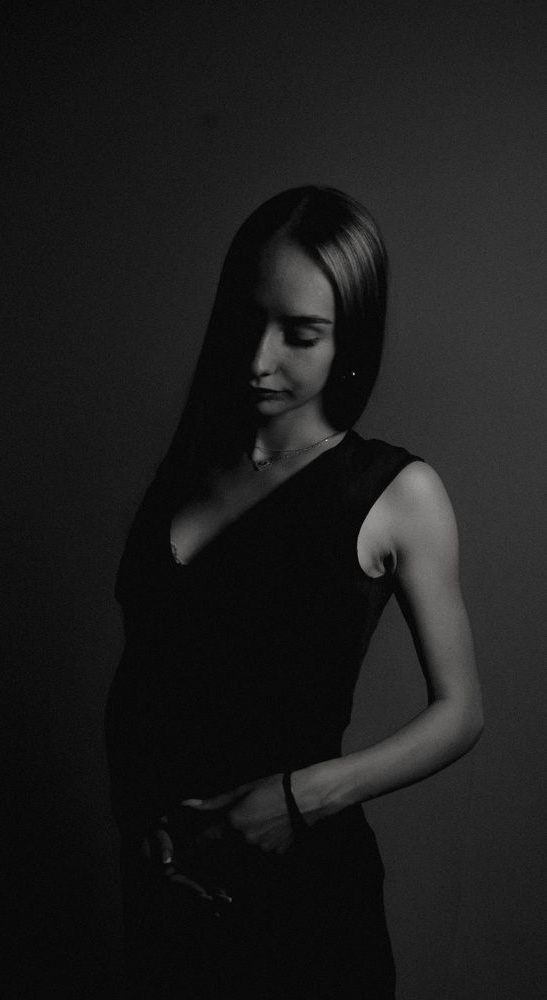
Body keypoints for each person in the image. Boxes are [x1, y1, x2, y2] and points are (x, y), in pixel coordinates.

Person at [105, 186, 483, 999]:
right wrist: (144, 828)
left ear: (351, 338)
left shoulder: (396, 492)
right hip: (166, 892)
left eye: (300, 335)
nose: (258, 359)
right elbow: (152, 677)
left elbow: (461, 712)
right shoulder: (189, 466)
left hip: (305, 905)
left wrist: (301, 798)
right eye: (247, 321)